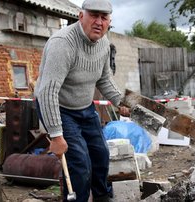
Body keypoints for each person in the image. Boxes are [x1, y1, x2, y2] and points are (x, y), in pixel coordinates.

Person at [34, 0, 129, 201]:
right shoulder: (63, 44)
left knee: (101, 154)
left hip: (84, 107)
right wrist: (57, 135)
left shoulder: (103, 43)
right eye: (94, 15)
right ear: (81, 16)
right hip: (58, 107)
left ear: (109, 21)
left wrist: (120, 102)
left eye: (104, 18)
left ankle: (102, 197)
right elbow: (47, 92)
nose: (99, 22)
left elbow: (104, 79)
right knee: (80, 162)